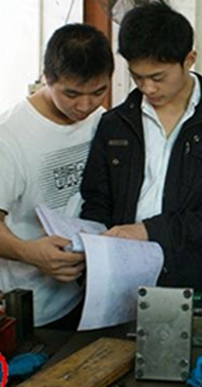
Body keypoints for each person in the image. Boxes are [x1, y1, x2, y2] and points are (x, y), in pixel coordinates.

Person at [80, 3, 202, 294]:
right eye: (137, 77)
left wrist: (149, 231)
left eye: (158, 77)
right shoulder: (115, 124)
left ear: (189, 60)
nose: (148, 88)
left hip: (188, 278)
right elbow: (96, 201)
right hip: (119, 276)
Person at [0, 23, 114, 328]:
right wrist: (29, 253)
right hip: (30, 310)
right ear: (47, 78)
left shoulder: (100, 121)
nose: (85, 106)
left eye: (99, 92)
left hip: (87, 295)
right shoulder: (9, 137)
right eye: (71, 93)